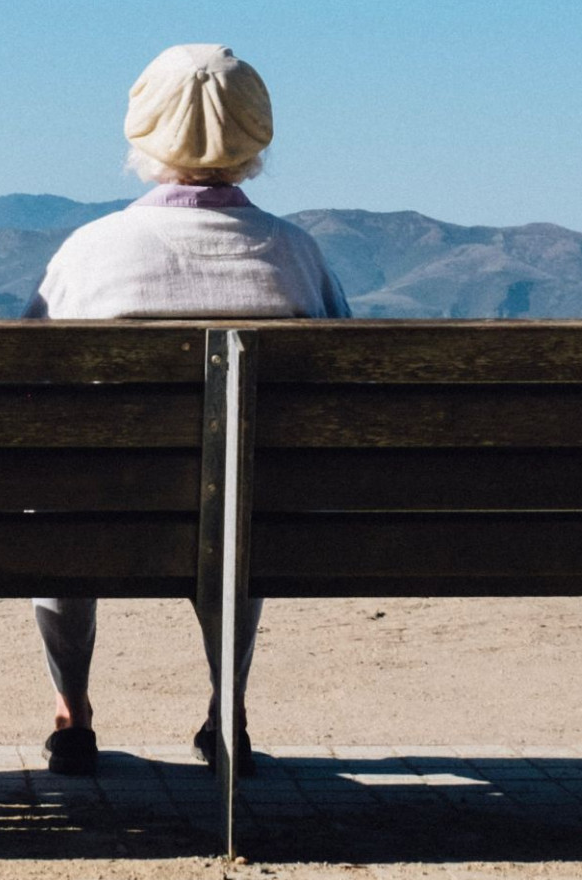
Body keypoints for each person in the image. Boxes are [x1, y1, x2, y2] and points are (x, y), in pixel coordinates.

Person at [26, 43, 349, 777]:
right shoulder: (297, 256)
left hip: (105, 515)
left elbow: (29, 393)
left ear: (142, 134)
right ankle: (225, 708)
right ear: (256, 136)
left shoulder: (90, 253)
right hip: (252, 520)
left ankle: (73, 714)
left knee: (60, 509)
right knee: (237, 506)